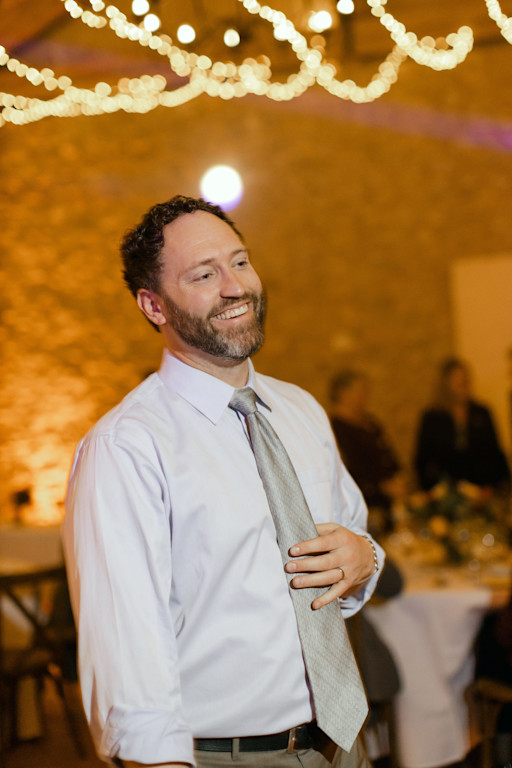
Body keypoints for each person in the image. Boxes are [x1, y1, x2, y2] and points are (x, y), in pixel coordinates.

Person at [62, 195, 384, 768]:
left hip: (343, 742)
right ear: (153, 305)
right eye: (204, 274)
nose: (236, 287)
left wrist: (365, 558)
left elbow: (355, 540)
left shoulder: (300, 409)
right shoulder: (127, 447)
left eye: (240, 262)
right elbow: (126, 657)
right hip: (226, 755)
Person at [414, 357, 510, 495]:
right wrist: (432, 490)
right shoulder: (433, 418)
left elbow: (495, 453)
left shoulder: (481, 413)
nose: (463, 386)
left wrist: (500, 485)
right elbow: (422, 459)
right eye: (458, 382)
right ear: (446, 384)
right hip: (445, 491)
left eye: (465, 381)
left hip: (481, 490)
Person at [329, 369, 405, 535]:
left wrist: (396, 478)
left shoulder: (370, 423)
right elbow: (349, 466)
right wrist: (380, 486)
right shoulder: (335, 428)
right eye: (358, 391)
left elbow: (387, 454)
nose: (363, 396)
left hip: (387, 502)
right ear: (342, 393)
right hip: (363, 502)